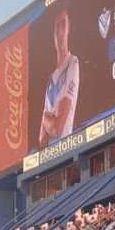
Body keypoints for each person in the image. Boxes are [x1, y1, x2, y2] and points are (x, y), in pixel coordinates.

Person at [38, 10, 79, 147]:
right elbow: (42, 139)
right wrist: (49, 119)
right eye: (57, 27)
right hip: (50, 157)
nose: (60, 32)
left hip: (66, 149)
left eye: (63, 24)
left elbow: (57, 128)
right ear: (53, 34)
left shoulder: (73, 63)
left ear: (69, 28)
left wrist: (45, 117)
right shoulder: (51, 78)